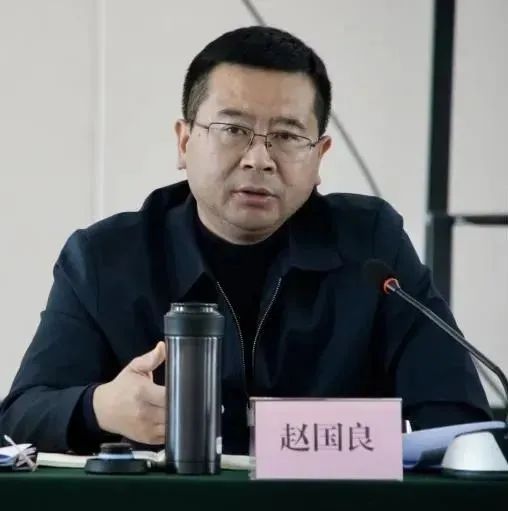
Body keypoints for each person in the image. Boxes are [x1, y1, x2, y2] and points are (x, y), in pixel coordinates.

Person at [0, 26, 491, 455]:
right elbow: (19, 417)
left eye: (288, 136)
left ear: (319, 156)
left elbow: (457, 418)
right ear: (184, 141)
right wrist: (98, 408)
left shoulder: (372, 248)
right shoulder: (105, 259)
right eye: (233, 129)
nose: (260, 159)